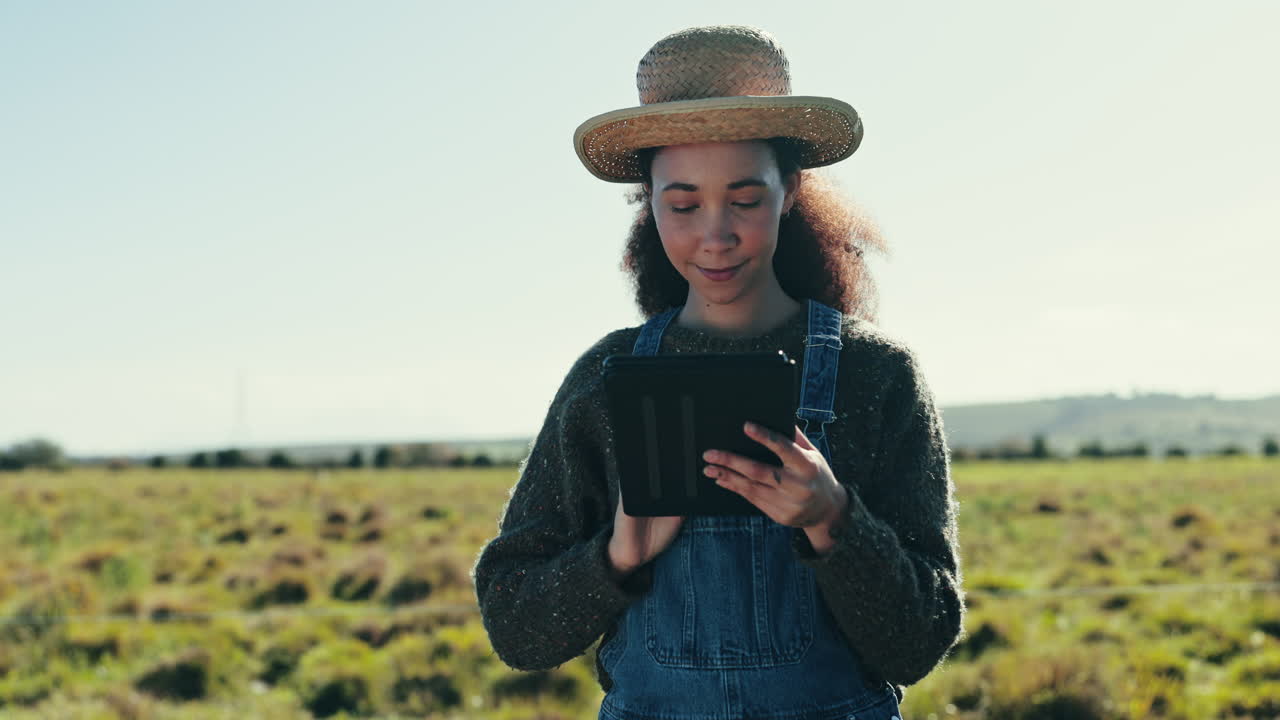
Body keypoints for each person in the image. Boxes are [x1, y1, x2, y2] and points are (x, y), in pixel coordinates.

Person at [473, 25, 965, 720]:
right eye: (682, 205)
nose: (715, 235)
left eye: (745, 199)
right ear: (647, 201)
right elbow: (515, 628)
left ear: (790, 190)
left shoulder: (876, 374)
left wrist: (834, 520)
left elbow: (920, 642)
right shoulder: (604, 381)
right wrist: (614, 557)